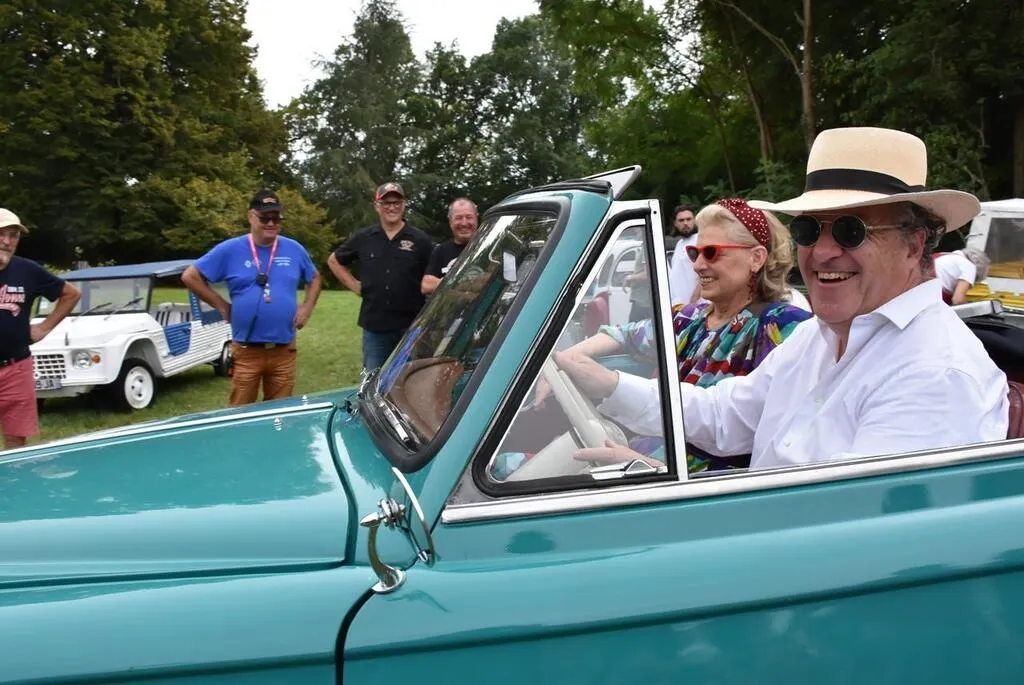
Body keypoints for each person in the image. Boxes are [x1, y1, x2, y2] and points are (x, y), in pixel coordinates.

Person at [557, 126, 1009, 471]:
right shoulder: (819, 336)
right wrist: (607, 385)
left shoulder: (935, 373)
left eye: (851, 230)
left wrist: (654, 476)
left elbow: (844, 530)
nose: (823, 252)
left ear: (914, 244)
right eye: (809, 229)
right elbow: (724, 415)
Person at [529, 198, 811, 473]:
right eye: (694, 254)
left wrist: (643, 465)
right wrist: (567, 360)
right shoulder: (688, 319)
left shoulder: (783, 327)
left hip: (694, 484)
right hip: (644, 459)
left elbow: (770, 443)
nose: (697, 265)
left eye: (711, 252)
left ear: (756, 258)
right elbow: (624, 334)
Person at [182, 189, 322, 406]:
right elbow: (190, 276)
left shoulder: (294, 249)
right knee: (240, 413)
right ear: (251, 217)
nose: (271, 223)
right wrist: (221, 305)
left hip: (284, 349)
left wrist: (307, 308)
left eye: (276, 218)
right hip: (247, 351)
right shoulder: (230, 249)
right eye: (265, 218)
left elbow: (314, 277)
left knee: (280, 412)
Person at [327, 182, 433, 372]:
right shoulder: (364, 237)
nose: (392, 207)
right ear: (377, 206)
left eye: (396, 202)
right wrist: (355, 286)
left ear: (404, 205)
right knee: (373, 378)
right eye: (386, 203)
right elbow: (334, 261)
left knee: (413, 378)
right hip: (375, 326)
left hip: (412, 326)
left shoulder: (420, 240)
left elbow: (432, 274)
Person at [0, 208, 81, 449]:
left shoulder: (27, 270)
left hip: (15, 367)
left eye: (13, 235)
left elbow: (71, 294)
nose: (7, 241)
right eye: (1, 234)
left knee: (16, 437)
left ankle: (14, 473)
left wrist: (43, 328)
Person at [422, 197, 478, 295]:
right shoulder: (440, 251)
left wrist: (445, 284)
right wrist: (462, 283)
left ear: (476, 218)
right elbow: (426, 285)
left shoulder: (491, 246)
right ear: (450, 221)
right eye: (458, 218)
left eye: (469, 217)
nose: (464, 223)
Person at [667, 204, 701, 306]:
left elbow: (708, 273)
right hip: (680, 305)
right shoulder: (679, 244)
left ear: (694, 220)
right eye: (681, 220)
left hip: (697, 305)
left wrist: (694, 300)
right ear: (675, 223)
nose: (685, 223)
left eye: (688, 219)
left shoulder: (700, 240)